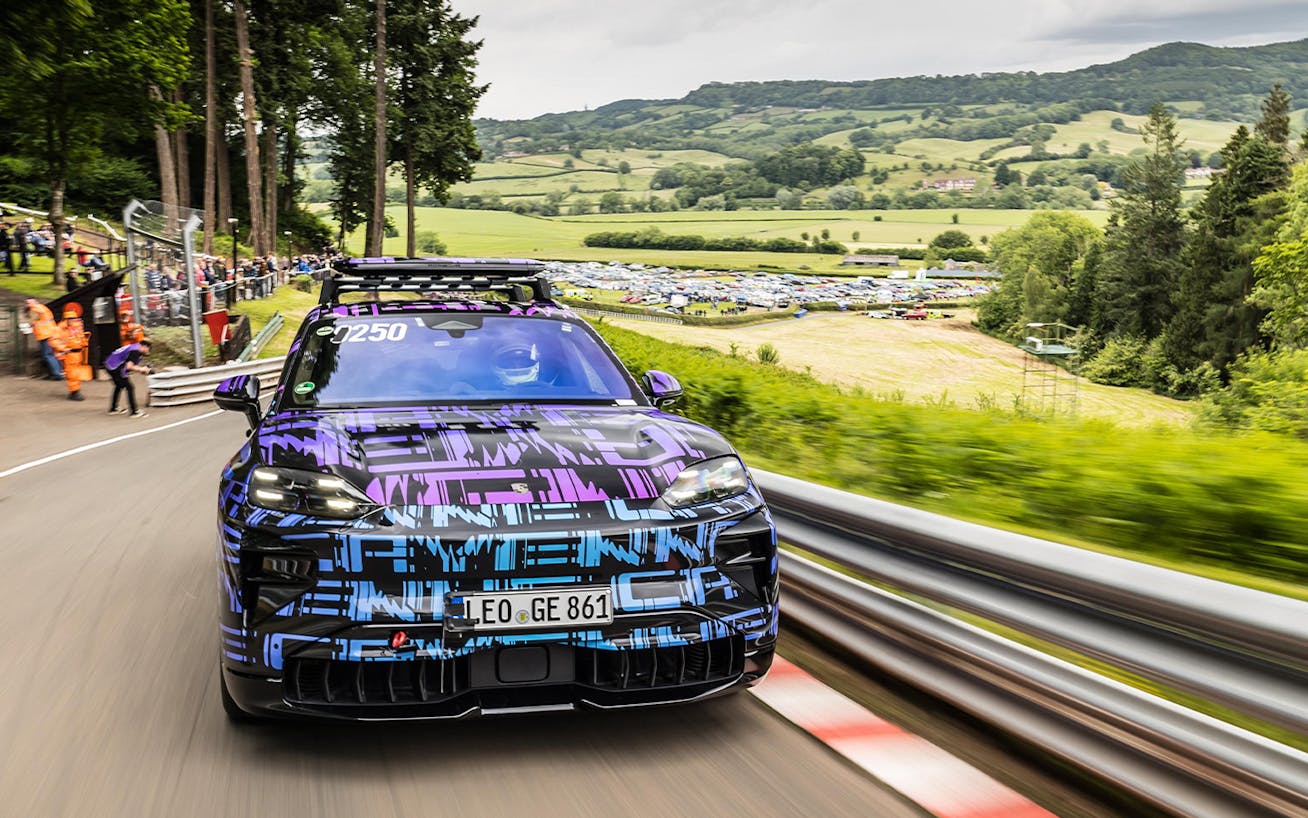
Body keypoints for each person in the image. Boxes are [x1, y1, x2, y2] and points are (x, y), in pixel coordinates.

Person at [105, 339, 152, 417]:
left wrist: (141, 370)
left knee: (119, 385)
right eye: (148, 349)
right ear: (144, 346)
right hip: (115, 367)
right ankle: (134, 411)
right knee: (130, 387)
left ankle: (113, 408)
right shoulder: (135, 351)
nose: (148, 352)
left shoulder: (135, 346)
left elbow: (129, 365)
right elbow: (129, 366)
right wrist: (141, 369)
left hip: (110, 364)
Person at [55, 303, 88, 401]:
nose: (72, 320)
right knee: (72, 374)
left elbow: (81, 337)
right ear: (66, 319)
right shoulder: (60, 329)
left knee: (76, 373)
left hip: (78, 354)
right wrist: (63, 349)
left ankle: (75, 390)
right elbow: (54, 341)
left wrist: (84, 342)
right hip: (69, 354)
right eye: (70, 319)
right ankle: (74, 392)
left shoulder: (76, 327)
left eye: (74, 318)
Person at [24, 297, 63, 380]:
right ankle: (59, 372)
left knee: (47, 355)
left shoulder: (35, 310)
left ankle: (57, 374)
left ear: (34, 302)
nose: (28, 305)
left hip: (45, 334)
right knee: (53, 354)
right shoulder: (42, 307)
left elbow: (32, 322)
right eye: (27, 303)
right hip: (52, 332)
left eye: (29, 303)